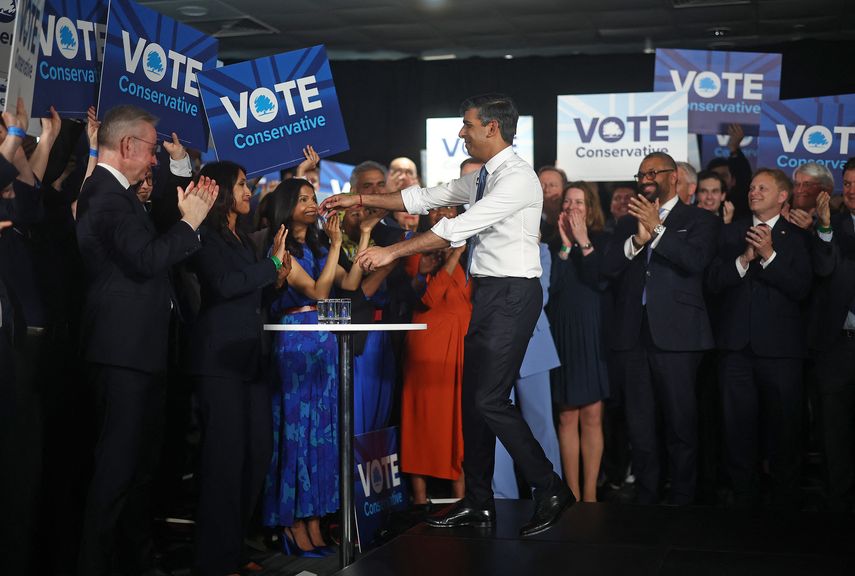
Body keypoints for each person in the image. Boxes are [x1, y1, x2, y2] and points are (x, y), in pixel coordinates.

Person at [320, 93, 573, 536]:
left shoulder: (517, 179)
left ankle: (550, 488)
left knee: (489, 400)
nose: (461, 132)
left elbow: (454, 229)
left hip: (513, 294)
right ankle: (478, 501)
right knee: (474, 402)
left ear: (492, 128)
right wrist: (357, 197)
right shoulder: (483, 177)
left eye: (467, 125)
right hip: (489, 294)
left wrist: (391, 252)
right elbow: (423, 197)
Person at [75, 105, 217, 576]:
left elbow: (158, 231)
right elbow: (145, 258)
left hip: (139, 353)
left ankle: (136, 563)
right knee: (115, 475)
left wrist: (182, 179)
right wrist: (190, 223)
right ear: (128, 145)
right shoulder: (104, 194)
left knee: (137, 473)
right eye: (153, 150)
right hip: (121, 354)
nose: (154, 159)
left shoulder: (121, 195)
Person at [184, 161, 291, 576]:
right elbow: (225, 286)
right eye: (243, 185)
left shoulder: (243, 239)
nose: (250, 191)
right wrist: (271, 266)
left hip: (251, 359)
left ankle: (233, 547)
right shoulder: (205, 237)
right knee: (224, 462)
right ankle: (214, 560)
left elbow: (254, 296)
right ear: (223, 191)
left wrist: (276, 278)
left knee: (257, 454)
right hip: (219, 362)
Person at [601, 151, 720, 506]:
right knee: (640, 425)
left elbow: (695, 261)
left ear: (675, 177)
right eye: (641, 174)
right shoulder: (627, 221)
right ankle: (647, 497)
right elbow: (607, 268)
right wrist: (637, 241)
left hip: (678, 338)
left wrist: (657, 230)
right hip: (634, 336)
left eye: (653, 172)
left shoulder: (700, 220)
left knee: (681, 423)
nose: (645, 179)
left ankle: (682, 498)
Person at [262, 178, 370, 556]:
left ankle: (314, 518)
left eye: (313, 197)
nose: (312, 203)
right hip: (295, 340)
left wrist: (363, 235)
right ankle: (292, 522)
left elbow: (351, 282)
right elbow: (319, 292)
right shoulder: (280, 249)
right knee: (297, 432)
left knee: (321, 431)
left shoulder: (318, 246)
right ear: (287, 206)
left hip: (324, 340)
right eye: (303, 199)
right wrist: (337, 245)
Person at [707, 168, 812, 508]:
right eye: (752, 187)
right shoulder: (730, 233)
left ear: (782, 196)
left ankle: (784, 506)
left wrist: (769, 256)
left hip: (781, 353)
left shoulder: (798, 236)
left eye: (763, 188)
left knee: (785, 432)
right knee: (737, 432)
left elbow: (801, 288)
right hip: (735, 351)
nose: (754, 192)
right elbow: (713, 282)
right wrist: (743, 259)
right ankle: (744, 502)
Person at [400, 207, 471, 505]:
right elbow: (428, 297)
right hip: (429, 345)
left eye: (450, 208)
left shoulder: (471, 252)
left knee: (457, 421)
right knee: (423, 418)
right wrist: (453, 255)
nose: (443, 213)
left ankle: (462, 499)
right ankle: (419, 500)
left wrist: (459, 252)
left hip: (460, 347)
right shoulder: (418, 250)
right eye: (436, 208)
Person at [548, 181, 611, 503]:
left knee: (592, 415)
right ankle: (572, 493)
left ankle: (590, 494)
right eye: (568, 202)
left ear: (590, 209)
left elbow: (600, 280)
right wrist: (564, 245)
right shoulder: (552, 245)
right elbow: (551, 289)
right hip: (562, 334)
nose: (572, 208)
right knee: (567, 415)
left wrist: (583, 241)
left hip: (593, 333)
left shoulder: (603, 240)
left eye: (579, 202)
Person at [806, 162, 855, 513]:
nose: (851, 190)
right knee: (834, 430)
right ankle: (839, 504)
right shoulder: (829, 225)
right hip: (838, 345)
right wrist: (823, 227)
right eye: (847, 183)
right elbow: (823, 268)